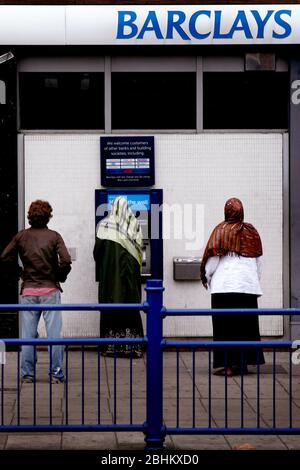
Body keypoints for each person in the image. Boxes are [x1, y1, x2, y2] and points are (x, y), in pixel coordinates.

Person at [0, 200, 71, 383]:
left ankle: (27, 374)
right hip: (50, 291)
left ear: (30, 216)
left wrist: (20, 273)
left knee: (28, 335)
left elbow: (4, 257)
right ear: (48, 216)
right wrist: (58, 277)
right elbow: (66, 261)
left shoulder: (21, 236)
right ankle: (56, 373)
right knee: (54, 335)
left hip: (29, 291)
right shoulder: (54, 236)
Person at [200, 197, 265, 376]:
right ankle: (243, 364)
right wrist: (253, 280)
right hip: (247, 287)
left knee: (225, 327)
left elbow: (211, 261)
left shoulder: (221, 231)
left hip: (224, 288)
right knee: (246, 327)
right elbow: (258, 261)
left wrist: (207, 277)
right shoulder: (251, 232)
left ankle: (228, 365)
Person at [93, 196, 144, 358]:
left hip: (109, 278)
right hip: (130, 278)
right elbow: (140, 252)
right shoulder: (135, 226)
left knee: (110, 308)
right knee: (130, 309)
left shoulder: (104, 225)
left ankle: (110, 347)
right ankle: (132, 347)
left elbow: (97, 253)